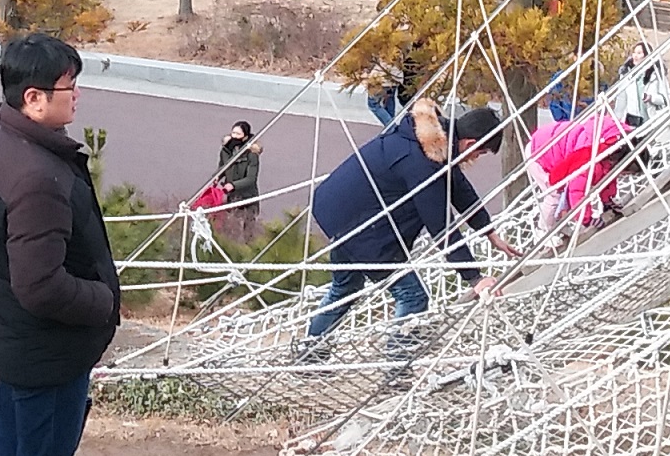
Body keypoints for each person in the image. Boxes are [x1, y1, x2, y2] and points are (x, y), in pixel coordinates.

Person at [0, 34, 120, 456]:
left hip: (13, 343)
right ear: (33, 98)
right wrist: (102, 301)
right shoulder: (36, 175)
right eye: (68, 87)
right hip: (47, 354)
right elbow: (40, 285)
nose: (76, 96)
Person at [303, 102, 503, 346]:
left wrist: (487, 229)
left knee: (344, 289)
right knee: (413, 297)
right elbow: (441, 226)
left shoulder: (429, 141)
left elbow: (456, 186)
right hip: (364, 230)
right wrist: (474, 278)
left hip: (342, 216)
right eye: (479, 153)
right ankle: (396, 368)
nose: (475, 158)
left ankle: (308, 351)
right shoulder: (422, 163)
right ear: (470, 144)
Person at [210, 121, 263, 241]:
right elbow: (222, 168)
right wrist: (217, 177)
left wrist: (233, 185)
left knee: (248, 230)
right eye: (233, 132)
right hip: (232, 196)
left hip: (248, 196)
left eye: (238, 134)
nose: (234, 136)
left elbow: (251, 178)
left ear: (245, 136)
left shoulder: (252, 154)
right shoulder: (226, 150)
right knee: (229, 226)